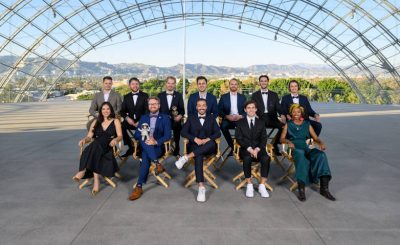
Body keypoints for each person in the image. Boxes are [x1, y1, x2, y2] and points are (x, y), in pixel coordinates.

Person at [280, 104, 335, 202]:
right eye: (294, 112)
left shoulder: (307, 123)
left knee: (320, 155)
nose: (296, 114)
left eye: (298, 112)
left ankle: (324, 189)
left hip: (308, 144)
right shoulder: (289, 124)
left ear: (301, 113)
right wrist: (288, 142)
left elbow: (315, 138)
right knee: (300, 155)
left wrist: (321, 143)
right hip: (294, 146)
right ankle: (301, 189)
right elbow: (282, 138)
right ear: (291, 113)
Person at [175, 99, 221, 202]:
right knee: (198, 156)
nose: (201, 107)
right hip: (194, 145)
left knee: (210, 143)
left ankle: (186, 157)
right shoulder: (191, 118)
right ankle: (201, 187)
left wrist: (207, 139)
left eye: (203, 105)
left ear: (206, 107)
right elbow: (183, 132)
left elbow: (218, 133)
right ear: (196, 107)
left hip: (209, 146)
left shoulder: (211, 117)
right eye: (199, 105)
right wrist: (195, 139)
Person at [73, 102, 122, 195]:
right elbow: (89, 137)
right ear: (100, 111)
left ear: (111, 110)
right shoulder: (96, 121)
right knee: (95, 146)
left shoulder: (115, 121)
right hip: (96, 146)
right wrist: (84, 140)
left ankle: (82, 171)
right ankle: (96, 179)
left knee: (94, 146)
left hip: (109, 145)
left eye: (108, 109)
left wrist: (115, 140)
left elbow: (120, 136)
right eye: (103, 109)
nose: (105, 111)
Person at [128, 97, 171, 201]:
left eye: (155, 104)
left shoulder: (165, 117)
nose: (153, 106)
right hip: (145, 144)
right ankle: (157, 164)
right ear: (148, 106)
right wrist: (145, 136)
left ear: (159, 105)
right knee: (144, 139)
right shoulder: (144, 117)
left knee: (145, 157)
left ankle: (139, 187)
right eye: (150, 104)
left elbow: (168, 135)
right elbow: (137, 134)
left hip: (158, 147)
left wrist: (155, 141)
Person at [235, 100, 271, 198]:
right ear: (245, 110)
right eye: (248, 108)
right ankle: (249, 184)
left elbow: (264, 138)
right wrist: (250, 149)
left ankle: (262, 185)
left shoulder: (261, 122)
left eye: (253, 108)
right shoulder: (240, 123)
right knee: (247, 158)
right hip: (245, 149)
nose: (251, 110)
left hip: (259, 149)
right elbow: (238, 138)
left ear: (256, 109)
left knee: (266, 158)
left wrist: (257, 149)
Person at [251, 75, 285, 154]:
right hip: (260, 117)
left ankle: (274, 145)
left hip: (272, 117)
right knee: (258, 129)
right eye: (261, 81)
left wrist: (282, 114)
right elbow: (252, 107)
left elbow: (278, 107)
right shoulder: (255, 95)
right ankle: (261, 148)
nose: (263, 82)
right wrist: (254, 114)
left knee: (283, 127)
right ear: (259, 82)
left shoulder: (274, 94)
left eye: (265, 81)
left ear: (268, 82)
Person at [120, 77, 149, 157]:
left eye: (136, 84)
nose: (135, 86)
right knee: (121, 126)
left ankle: (141, 149)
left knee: (144, 128)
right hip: (130, 121)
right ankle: (131, 146)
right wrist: (127, 118)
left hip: (142, 121)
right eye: (133, 84)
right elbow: (122, 111)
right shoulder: (126, 97)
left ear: (139, 85)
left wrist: (140, 121)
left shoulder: (145, 95)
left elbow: (147, 111)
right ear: (129, 85)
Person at [218, 78, 246, 156]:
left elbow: (247, 110)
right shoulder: (223, 97)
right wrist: (226, 116)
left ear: (238, 86)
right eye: (232, 84)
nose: (233, 86)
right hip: (228, 119)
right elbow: (219, 110)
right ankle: (233, 147)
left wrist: (241, 116)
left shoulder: (242, 97)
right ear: (229, 85)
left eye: (235, 84)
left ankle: (240, 147)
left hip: (239, 119)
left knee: (243, 127)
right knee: (223, 126)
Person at [157, 76, 185, 156]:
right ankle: (163, 146)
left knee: (177, 126)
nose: (170, 85)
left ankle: (177, 146)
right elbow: (157, 109)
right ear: (166, 84)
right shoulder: (160, 95)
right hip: (163, 120)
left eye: (172, 83)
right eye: (169, 83)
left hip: (175, 120)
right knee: (160, 127)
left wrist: (180, 116)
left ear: (175, 85)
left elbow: (182, 110)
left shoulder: (178, 95)